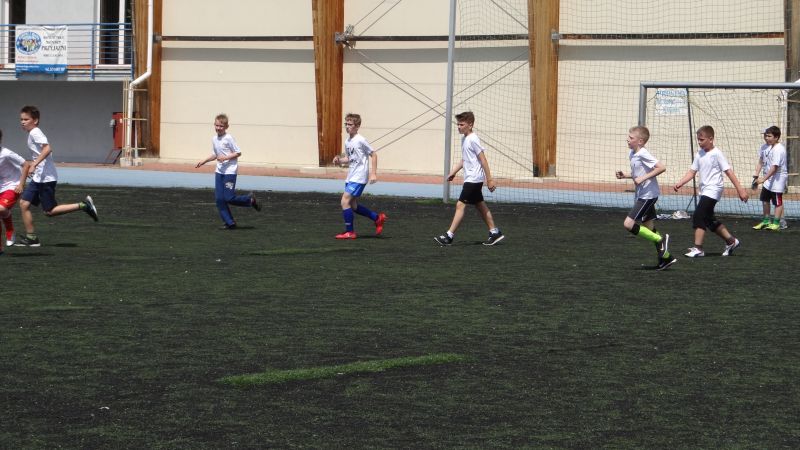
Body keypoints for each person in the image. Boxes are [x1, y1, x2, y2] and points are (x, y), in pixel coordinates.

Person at [15, 105, 98, 247]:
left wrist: (34, 164)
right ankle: (32, 238)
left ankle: (84, 205)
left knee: (50, 211)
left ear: (35, 120)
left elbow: (48, 148)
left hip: (46, 178)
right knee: (24, 203)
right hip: (39, 177)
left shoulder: (35, 132)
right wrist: (33, 167)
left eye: (26, 119)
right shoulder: (32, 133)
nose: (23, 122)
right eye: (21, 119)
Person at [673, 125, 748, 257]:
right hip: (704, 190)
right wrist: (680, 183)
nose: (699, 142)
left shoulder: (717, 153)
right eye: (698, 139)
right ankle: (731, 241)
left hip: (714, 189)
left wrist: (740, 190)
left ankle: (698, 249)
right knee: (708, 220)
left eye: (702, 139)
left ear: (711, 139)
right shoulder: (699, 154)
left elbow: (729, 172)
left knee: (698, 215)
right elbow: (692, 172)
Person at [434, 111, 504, 246]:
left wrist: (489, 179)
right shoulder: (464, 139)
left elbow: (483, 159)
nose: (458, 127)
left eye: (461, 124)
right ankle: (494, 232)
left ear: (470, 125)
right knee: (480, 205)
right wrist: (453, 172)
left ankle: (449, 236)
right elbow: (464, 160)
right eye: (458, 124)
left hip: (474, 179)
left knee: (460, 205)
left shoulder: (473, 139)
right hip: (471, 178)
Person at [615, 125, 675, 270]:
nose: (627, 139)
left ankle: (661, 239)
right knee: (649, 227)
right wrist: (625, 175)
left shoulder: (643, 153)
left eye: (631, 138)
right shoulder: (632, 153)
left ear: (640, 141)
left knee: (628, 224)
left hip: (648, 196)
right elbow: (638, 173)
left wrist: (643, 178)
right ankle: (666, 258)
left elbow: (661, 167)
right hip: (643, 194)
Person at [195, 113, 261, 229]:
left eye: (221, 126)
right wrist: (204, 161)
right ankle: (230, 223)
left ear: (226, 127)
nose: (218, 128)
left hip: (230, 171)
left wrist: (225, 158)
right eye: (216, 125)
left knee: (228, 198)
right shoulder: (214, 139)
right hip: (219, 171)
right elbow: (215, 154)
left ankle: (250, 200)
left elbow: (238, 152)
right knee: (219, 199)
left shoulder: (229, 138)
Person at [332, 113, 387, 239]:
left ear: (357, 126)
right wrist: (339, 160)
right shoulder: (347, 141)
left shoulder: (361, 140)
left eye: (350, 124)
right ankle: (377, 218)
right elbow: (349, 158)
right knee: (353, 206)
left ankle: (350, 232)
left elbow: (374, 155)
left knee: (344, 201)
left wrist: (373, 174)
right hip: (351, 176)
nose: (347, 126)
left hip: (360, 176)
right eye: (346, 124)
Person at [751, 126, 787, 231]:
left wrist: (763, 179)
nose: (766, 138)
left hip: (778, 178)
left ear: (776, 137)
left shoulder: (779, 149)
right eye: (765, 135)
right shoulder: (765, 147)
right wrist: (756, 176)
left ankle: (777, 223)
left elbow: (774, 168)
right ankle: (766, 221)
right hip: (768, 177)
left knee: (777, 201)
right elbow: (761, 161)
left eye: (769, 136)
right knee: (765, 199)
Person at [0, 129, 30, 253]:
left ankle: (10, 229)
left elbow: (26, 164)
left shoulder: (6, 153)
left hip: (13, 185)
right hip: (1, 186)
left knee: (1, 209)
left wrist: (21, 184)